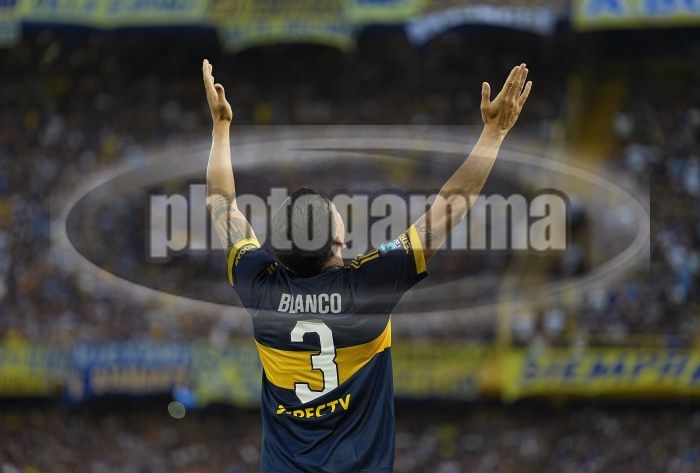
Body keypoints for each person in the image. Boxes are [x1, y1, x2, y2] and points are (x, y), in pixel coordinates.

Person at [202, 58, 531, 472]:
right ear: (338, 240)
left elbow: (221, 204)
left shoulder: (258, 282)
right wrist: (494, 133)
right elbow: (447, 209)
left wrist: (220, 128)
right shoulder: (369, 285)